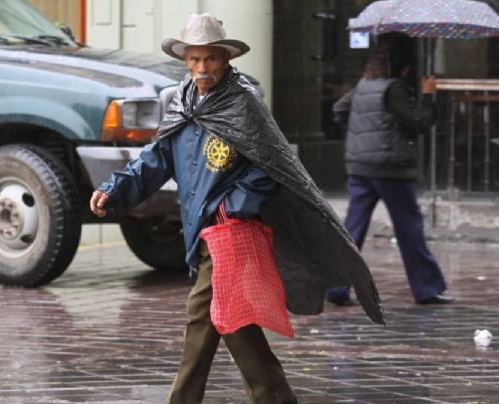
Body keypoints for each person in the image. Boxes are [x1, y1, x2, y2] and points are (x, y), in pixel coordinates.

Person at [91, 13, 384, 404]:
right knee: (232, 319)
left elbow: (270, 165)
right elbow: (157, 157)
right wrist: (115, 189)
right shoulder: (184, 100)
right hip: (201, 228)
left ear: (225, 58)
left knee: (203, 314)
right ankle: (275, 396)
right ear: (185, 60)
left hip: (229, 229)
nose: (202, 68)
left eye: (210, 59)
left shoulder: (243, 101)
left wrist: (233, 205)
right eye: (194, 59)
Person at [326, 34, 454, 306]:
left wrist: (360, 137)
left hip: (360, 167)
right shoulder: (393, 89)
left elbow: (339, 110)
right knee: (410, 229)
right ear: (403, 66)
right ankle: (427, 287)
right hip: (390, 169)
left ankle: (336, 287)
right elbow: (419, 122)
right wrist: (429, 95)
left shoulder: (363, 85)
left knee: (353, 228)